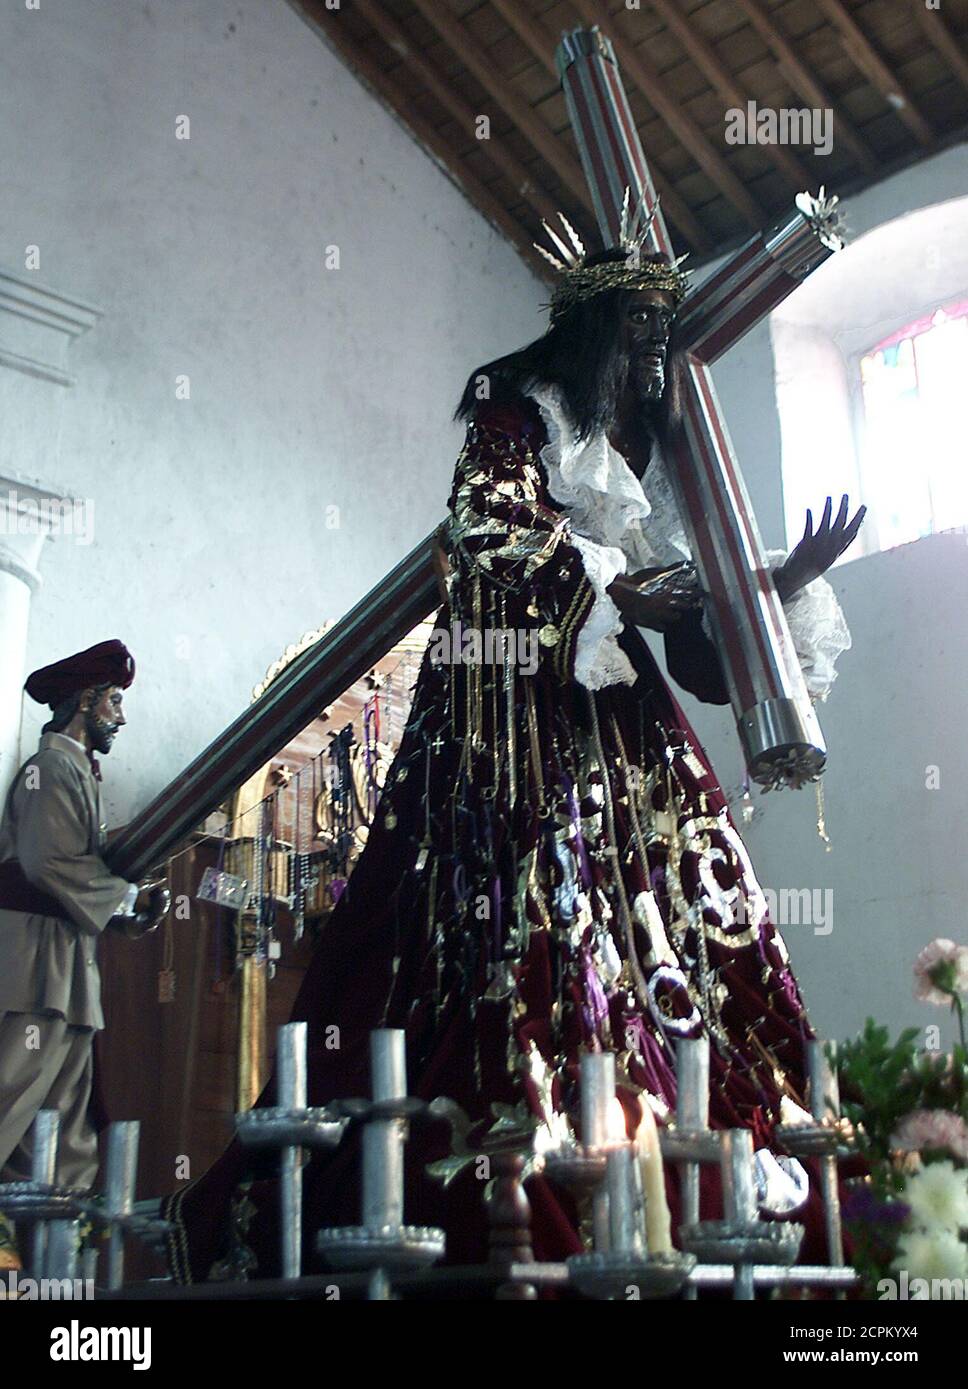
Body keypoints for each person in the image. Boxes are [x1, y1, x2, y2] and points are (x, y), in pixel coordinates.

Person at [165, 244, 864, 1283]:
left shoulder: (653, 445)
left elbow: (697, 649)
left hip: (617, 709)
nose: (650, 354)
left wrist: (775, 581)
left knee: (682, 915)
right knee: (518, 917)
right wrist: (617, 594)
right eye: (634, 330)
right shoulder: (516, 398)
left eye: (660, 334)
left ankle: (698, 1172)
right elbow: (484, 526)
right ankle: (518, 1155)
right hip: (507, 693)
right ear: (590, 329)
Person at [0, 639, 169, 1213]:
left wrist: (129, 903)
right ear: (84, 701)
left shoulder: (79, 772)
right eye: (113, 701)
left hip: (70, 967)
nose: (120, 716)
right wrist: (120, 899)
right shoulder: (46, 769)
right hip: (35, 968)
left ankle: (51, 1253)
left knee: (64, 1131)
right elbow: (47, 862)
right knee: (11, 1101)